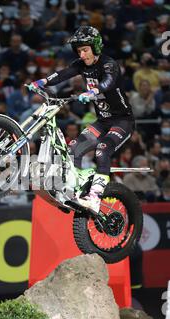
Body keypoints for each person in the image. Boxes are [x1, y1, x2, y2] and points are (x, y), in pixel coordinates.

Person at [29, 26, 135, 213]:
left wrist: (93, 91)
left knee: (102, 150)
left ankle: (95, 197)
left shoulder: (109, 64)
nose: (82, 54)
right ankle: (73, 192)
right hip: (102, 121)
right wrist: (42, 82)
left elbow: (108, 82)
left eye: (85, 49)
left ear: (95, 48)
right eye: (79, 51)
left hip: (122, 121)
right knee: (72, 148)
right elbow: (63, 74)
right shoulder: (81, 64)